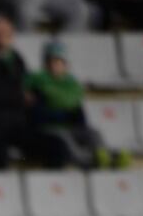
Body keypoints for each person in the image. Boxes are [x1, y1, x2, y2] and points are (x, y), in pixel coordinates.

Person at [0, 16, 69, 171]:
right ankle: (2, 193)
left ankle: (46, 190)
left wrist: (35, 96)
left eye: (7, 33)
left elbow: (27, 87)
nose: (2, 36)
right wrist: (20, 97)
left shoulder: (16, 59)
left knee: (57, 145)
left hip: (13, 126)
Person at [28, 40, 123, 168]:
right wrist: (64, 112)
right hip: (49, 128)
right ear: (45, 63)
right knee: (63, 138)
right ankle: (88, 162)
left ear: (65, 64)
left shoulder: (72, 84)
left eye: (59, 61)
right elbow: (39, 114)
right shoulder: (37, 82)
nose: (55, 65)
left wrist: (70, 113)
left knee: (93, 133)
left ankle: (105, 157)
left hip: (70, 126)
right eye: (51, 61)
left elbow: (77, 111)